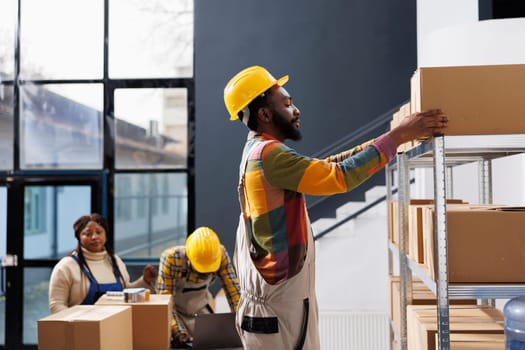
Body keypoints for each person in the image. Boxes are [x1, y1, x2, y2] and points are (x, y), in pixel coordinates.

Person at [223, 65, 448, 349]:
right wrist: (397, 139)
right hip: (277, 311)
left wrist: (391, 138)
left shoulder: (255, 152)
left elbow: (329, 166)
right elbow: (339, 176)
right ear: (265, 114)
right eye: (287, 104)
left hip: (273, 307)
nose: (296, 110)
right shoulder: (271, 155)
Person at [48, 213, 157, 314]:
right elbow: (56, 305)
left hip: (116, 327)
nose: (94, 237)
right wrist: (77, 325)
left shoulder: (115, 261)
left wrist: (144, 281)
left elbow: (125, 293)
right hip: (79, 331)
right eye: (87, 234)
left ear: (105, 235)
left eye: (99, 232)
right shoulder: (66, 267)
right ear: (79, 237)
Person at [156, 226, 240, 349]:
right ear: (189, 256)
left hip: (202, 314)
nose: (205, 274)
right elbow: (166, 303)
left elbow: (233, 290)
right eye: (201, 270)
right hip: (176, 315)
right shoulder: (172, 259)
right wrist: (180, 334)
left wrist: (242, 321)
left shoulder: (219, 254)